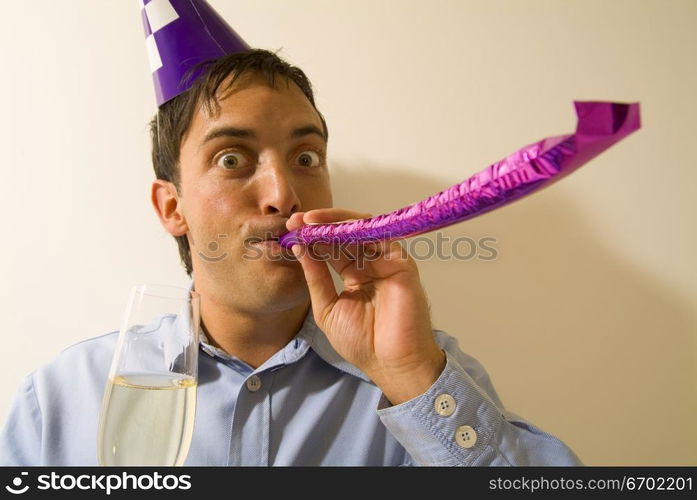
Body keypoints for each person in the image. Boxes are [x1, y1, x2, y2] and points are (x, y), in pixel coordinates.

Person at [0, 1, 582, 466]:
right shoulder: (60, 401)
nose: (284, 193)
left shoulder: (422, 373)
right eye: (233, 159)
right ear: (172, 207)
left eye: (306, 156)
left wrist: (410, 377)